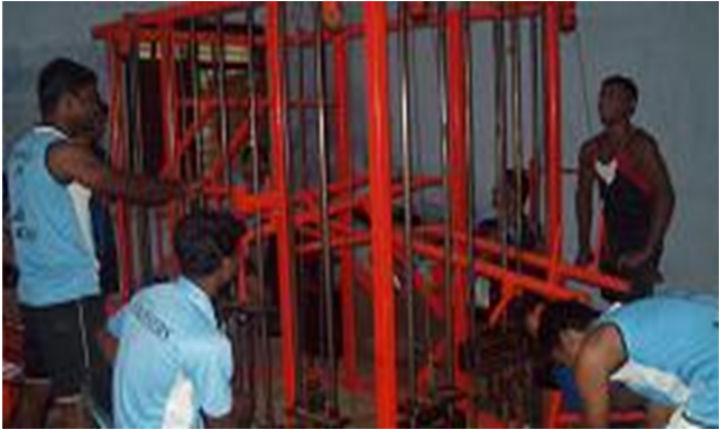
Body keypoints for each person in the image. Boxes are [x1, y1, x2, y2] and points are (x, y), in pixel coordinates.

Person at [6, 57, 187, 428]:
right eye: (89, 99)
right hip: (68, 300)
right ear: (68, 102)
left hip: (35, 299)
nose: (94, 107)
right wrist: (177, 190)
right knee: (79, 404)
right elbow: (121, 185)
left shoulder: (21, 150)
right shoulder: (63, 153)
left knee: (36, 392)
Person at [106, 211, 251, 428]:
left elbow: (106, 336)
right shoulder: (210, 344)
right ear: (227, 264)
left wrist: (143, 377)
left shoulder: (147, 297)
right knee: (243, 405)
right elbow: (221, 424)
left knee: (226, 395)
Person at [537, 294, 718, 428]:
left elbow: (596, 425)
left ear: (566, 339)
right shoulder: (626, 319)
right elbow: (661, 407)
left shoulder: (592, 352)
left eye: (563, 362)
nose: (570, 368)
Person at [575, 75, 675, 302]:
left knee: (636, 304)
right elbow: (583, 197)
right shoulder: (590, 150)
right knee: (613, 298)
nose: (603, 102)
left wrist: (648, 251)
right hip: (613, 241)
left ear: (630, 105)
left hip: (641, 238)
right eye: (602, 95)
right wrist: (584, 245)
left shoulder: (640, 146)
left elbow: (666, 196)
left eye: (612, 96)